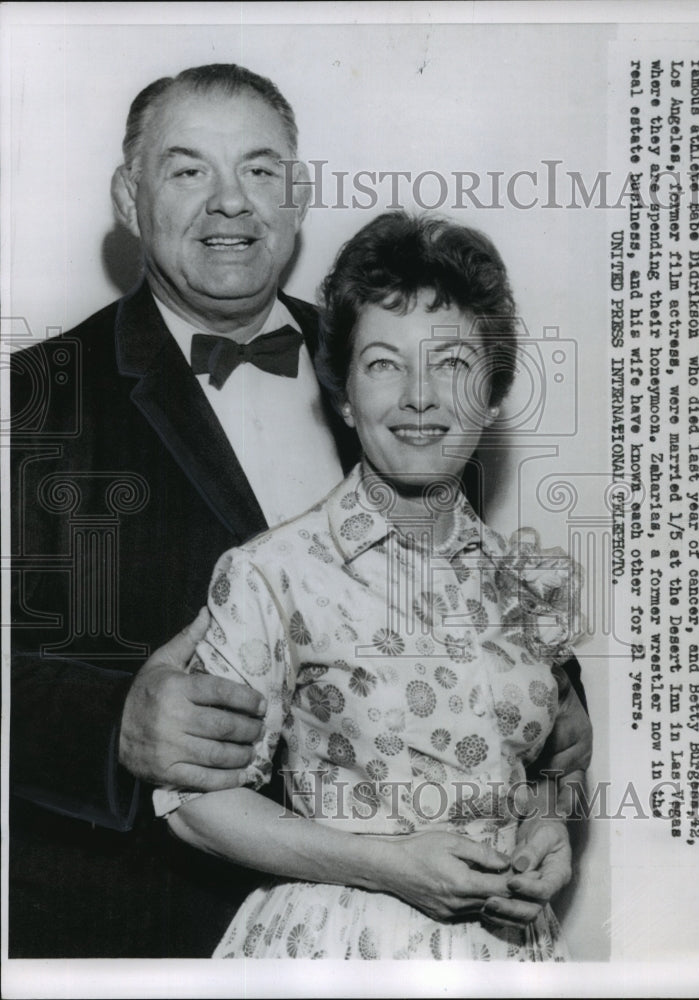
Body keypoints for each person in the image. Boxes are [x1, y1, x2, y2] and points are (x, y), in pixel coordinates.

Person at [9, 64, 590, 958]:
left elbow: (461, 599)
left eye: (259, 169)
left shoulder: (396, 364)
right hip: (144, 926)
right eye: (187, 169)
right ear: (129, 197)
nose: (230, 203)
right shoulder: (33, 401)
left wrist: (554, 734)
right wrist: (107, 724)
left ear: (300, 193)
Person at [155, 211, 586, 960]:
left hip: (506, 956)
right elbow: (191, 803)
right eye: (384, 363)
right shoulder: (273, 572)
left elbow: (559, 767)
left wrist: (547, 827)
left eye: (451, 363)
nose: (419, 397)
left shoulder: (530, 582)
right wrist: (388, 866)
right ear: (346, 396)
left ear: (489, 396)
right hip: (337, 951)